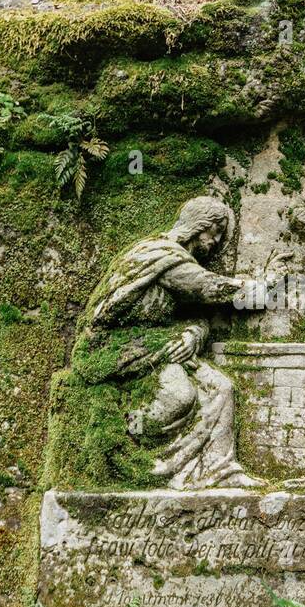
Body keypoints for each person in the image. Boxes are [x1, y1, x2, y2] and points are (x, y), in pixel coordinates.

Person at [72, 195, 261, 489]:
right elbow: (209, 288)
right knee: (180, 395)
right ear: (199, 225)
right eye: (215, 232)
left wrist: (193, 335)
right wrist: (264, 288)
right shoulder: (162, 256)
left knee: (221, 387)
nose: (215, 242)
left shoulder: (174, 260)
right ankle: (141, 455)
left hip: (152, 343)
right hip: (113, 349)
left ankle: (217, 470)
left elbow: (193, 316)